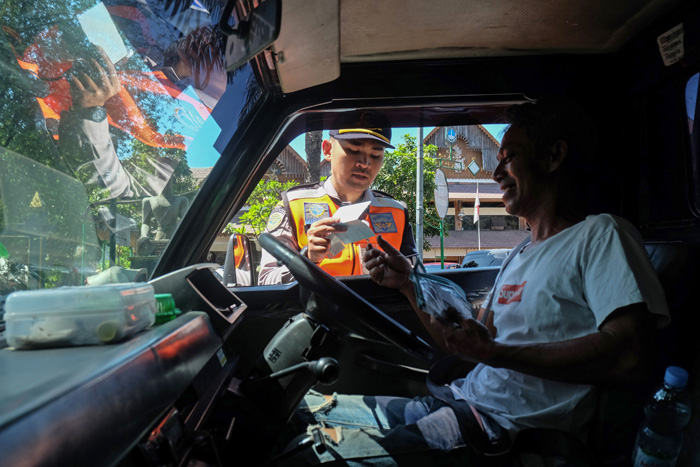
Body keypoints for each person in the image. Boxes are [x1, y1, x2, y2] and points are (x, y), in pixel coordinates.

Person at [284, 99, 671, 466]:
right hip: (459, 402)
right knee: (300, 409)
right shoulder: (520, 253)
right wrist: (407, 284)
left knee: (309, 457)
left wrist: (495, 354)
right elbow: (468, 344)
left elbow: (630, 356)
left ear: (553, 157)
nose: (496, 173)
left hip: (501, 432)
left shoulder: (601, 235)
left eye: (509, 158)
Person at [258, 112, 418, 285]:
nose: (364, 163)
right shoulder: (292, 205)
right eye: (354, 150)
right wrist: (307, 258)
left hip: (381, 311)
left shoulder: (397, 211)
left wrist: (405, 276)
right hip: (317, 311)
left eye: (375, 155)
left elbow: (421, 282)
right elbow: (267, 281)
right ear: (328, 150)